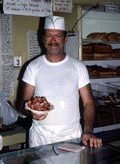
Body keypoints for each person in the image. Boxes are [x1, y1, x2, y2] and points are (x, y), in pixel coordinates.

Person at [16, 16, 102, 148]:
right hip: (41, 138)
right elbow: (22, 102)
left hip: (71, 137)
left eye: (58, 36)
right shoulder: (33, 67)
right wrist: (30, 111)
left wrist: (88, 131)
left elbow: (88, 102)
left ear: (65, 39)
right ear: (43, 39)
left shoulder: (78, 67)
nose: (53, 41)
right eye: (49, 36)